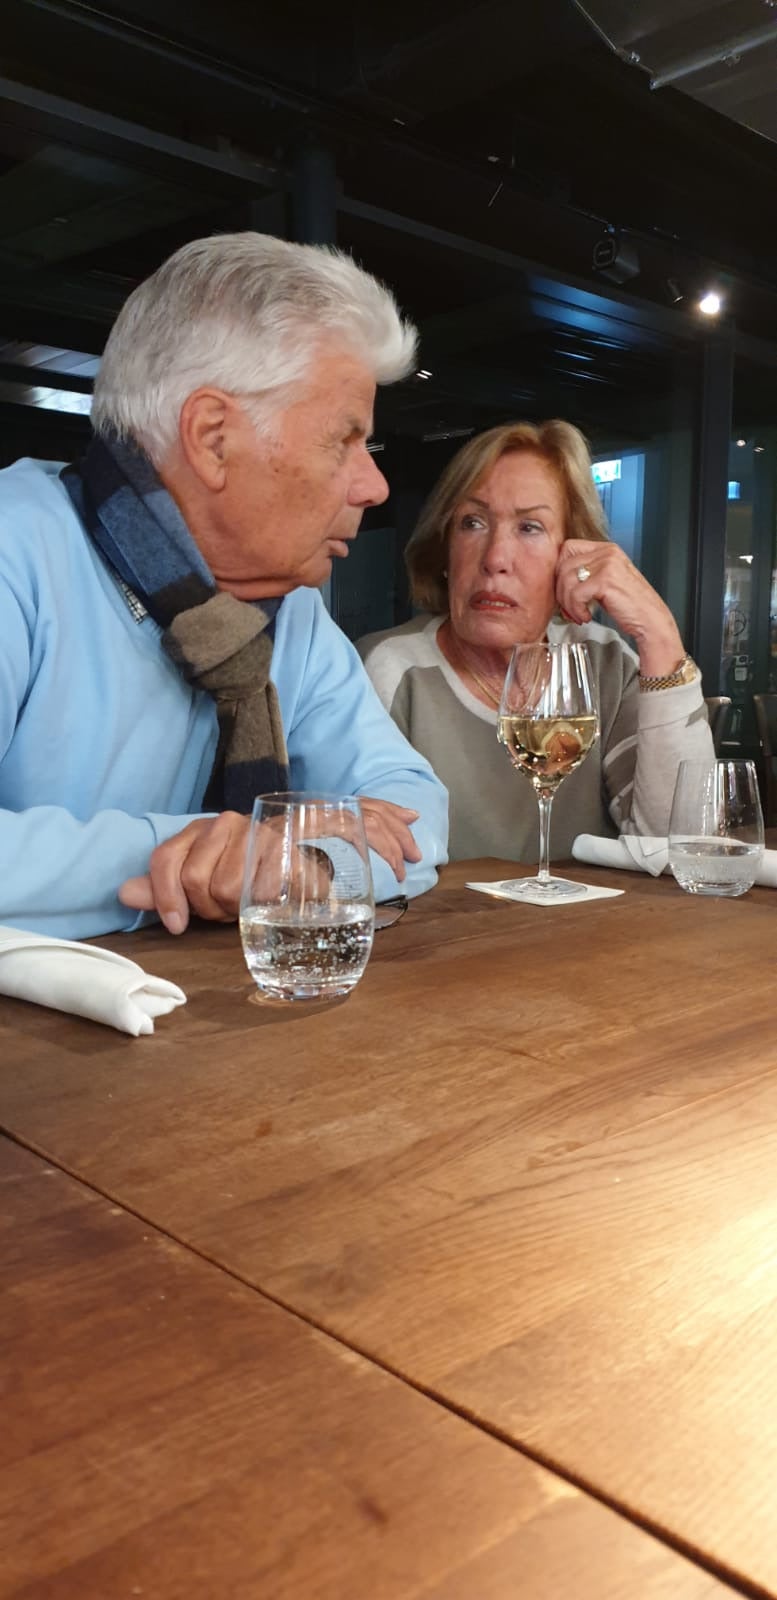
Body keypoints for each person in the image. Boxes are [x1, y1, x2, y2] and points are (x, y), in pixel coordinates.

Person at [0, 232, 448, 938]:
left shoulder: (292, 614)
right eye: (344, 440)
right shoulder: (17, 547)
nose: (375, 485)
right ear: (213, 438)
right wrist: (200, 855)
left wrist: (305, 862)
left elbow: (415, 811)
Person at [358, 420, 713, 862]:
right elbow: (375, 864)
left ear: (573, 554)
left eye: (529, 527)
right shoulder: (389, 671)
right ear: (445, 548)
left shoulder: (602, 662)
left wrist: (659, 636)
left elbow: (683, 847)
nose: (495, 559)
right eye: (472, 523)